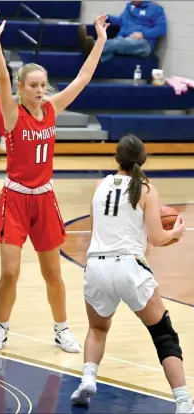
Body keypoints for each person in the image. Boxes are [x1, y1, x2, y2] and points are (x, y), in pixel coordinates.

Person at [0, 9, 109, 354]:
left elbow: (82, 79)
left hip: (45, 199)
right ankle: (1, 328)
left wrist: (100, 41)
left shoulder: (51, 109)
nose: (39, 90)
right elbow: (3, 81)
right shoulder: (12, 113)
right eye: (33, 86)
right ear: (22, 88)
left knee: (54, 273)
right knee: (10, 272)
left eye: (42, 85)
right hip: (15, 199)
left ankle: (61, 329)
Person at [71, 135, 194, 414]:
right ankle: (184, 402)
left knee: (98, 328)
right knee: (164, 335)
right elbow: (156, 238)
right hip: (128, 267)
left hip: (96, 266)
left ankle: (88, 379)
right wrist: (176, 232)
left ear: (117, 158)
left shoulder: (99, 186)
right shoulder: (147, 189)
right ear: (144, 159)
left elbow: (94, 234)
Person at [79, 1, 166, 62]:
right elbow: (121, 21)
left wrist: (143, 34)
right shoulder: (130, 7)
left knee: (118, 42)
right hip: (124, 39)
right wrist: (106, 17)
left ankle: (92, 46)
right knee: (116, 44)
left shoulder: (155, 8)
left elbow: (161, 29)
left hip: (144, 44)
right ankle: (93, 55)